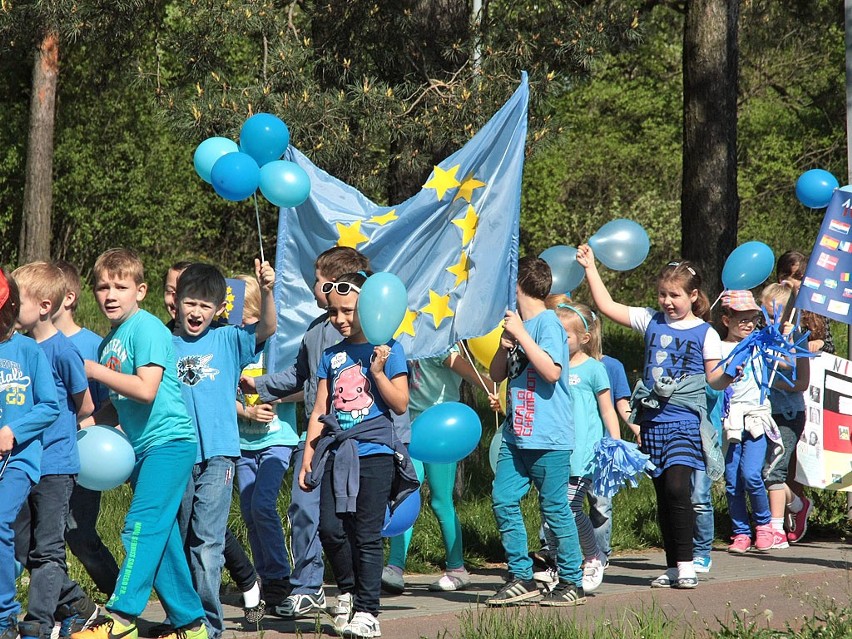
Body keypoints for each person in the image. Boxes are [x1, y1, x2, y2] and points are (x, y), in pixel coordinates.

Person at [577, 248, 733, 589]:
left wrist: (730, 374)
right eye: (662, 294)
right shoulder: (651, 320)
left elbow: (714, 379)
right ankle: (674, 566)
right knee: (663, 493)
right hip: (652, 421)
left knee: (679, 488)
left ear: (693, 295)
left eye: (675, 295)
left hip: (685, 420)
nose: (667, 301)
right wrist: (591, 267)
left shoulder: (705, 332)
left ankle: (688, 562)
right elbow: (607, 307)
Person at [73, 248, 206, 639]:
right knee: (158, 540)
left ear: (141, 290)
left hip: (169, 443)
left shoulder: (146, 328)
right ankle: (192, 625)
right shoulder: (108, 343)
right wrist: (84, 426)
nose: (110, 294)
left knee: (138, 529)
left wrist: (93, 371)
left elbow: (146, 390)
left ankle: (121, 617)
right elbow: (118, 407)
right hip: (141, 449)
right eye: (102, 287)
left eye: (120, 286)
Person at [240, 246, 371, 619]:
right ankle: (308, 585)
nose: (313, 286)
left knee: (346, 519)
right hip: (312, 438)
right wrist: (257, 385)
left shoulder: (361, 330)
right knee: (302, 507)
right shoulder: (315, 330)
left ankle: (357, 588)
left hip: (349, 439)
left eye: (317, 280)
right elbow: (298, 377)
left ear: (334, 285)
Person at [299, 270, 417, 639]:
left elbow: (400, 403)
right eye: (334, 312)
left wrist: (378, 373)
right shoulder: (331, 356)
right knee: (331, 529)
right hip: (336, 453)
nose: (340, 320)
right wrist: (309, 455)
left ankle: (368, 611)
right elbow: (321, 408)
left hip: (377, 452)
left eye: (348, 311)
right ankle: (347, 590)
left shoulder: (390, 350)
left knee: (365, 534)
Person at [171, 261, 276, 639]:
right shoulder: (166, 345)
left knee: (207, 539)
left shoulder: (229, 339)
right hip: (178, 453)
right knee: (182, 536)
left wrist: (267, 291)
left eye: (205, 305)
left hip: (218, 454)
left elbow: (267, 327)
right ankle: (186, 618)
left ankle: (210, 627)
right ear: (177, 303)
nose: (196, 312)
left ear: (217, 309)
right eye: (190, 303)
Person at [486, 256, 584, 608]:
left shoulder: (548, 325)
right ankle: (522, 575)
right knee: (503, 499)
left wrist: (523, 335)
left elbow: (551, 372)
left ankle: (572, 580)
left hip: (548, 438)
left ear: (518, 287)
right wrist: (504, 344)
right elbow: (498, 374)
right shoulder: (519, 327)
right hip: (517, 436)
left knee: (555, 508)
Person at [11, 262, 97, 639]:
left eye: (16, 302)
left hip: (56, 465)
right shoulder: (20, 349)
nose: (8, 309)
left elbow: (86, 405)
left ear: (44, 306)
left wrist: (58, 427)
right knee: (25, 550)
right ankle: (81, 605)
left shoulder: (63, 351)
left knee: (48, 551)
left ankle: (38, 625)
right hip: (21, 463)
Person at [381, 345, 494, 594]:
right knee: (404, 495)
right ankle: (395, 567)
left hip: (441, 430)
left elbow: (463, 368)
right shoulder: (406, 339)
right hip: (410, 426)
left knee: (441, 501)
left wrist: (492, 389)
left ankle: (457, 569)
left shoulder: (441, 344)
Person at [541, 298, 621, 594]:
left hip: (584, 454)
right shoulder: (552, 367)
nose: (560, 340)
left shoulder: (593, 369)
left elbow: (607, 409)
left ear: (584, 338)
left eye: (566, 335)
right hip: (554, 451)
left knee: (570, 507)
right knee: (552, 510)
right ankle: (562, 563)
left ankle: (592, 557)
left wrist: (614, 443)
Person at [232, 274, 299, 620]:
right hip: (242, 444)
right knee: (249, 511)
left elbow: (306, 385)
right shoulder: (229, 342)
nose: (236, 317)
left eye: (242, 309)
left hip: (277, 438)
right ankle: (266, 578)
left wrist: (268, 392)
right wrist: (245, 409)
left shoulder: (278, 343)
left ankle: (278, 581)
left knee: (262, 504)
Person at [52, 260, 120, 598]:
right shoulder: (28, 343)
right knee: (40, 537)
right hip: (42, 456)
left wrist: (85, 424)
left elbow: (114, 404)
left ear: (67, 297)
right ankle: (56, 606)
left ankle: (120, 595)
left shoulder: (96, 346)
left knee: (78, 534)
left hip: (83, 455)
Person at [0, 268, 61, 639]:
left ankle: (5, 613)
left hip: (19, 459)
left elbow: (50, 406)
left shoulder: (28, 351)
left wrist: (13, 430)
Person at [717, 290, 780, 554]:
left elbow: (786, 362)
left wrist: (781, 337)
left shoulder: (760, 345)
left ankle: (764, 527)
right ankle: (741, 532)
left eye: (752, 318)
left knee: (752, 474)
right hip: (730, 420)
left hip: (755, 417)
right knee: (732, 479)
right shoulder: (718, 348)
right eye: (741, 318)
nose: (747, 324)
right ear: (725, 319)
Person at [760, 283, 812, 549]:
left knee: (774, 472)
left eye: (774, 313)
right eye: (765, 312)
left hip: (788, 415)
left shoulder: (799, 339)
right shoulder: (761, 337)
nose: (768, 319)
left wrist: (774, 380)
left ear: (788, 313)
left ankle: (776, 529)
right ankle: (799, 505)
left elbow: (802, 381)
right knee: (762, 472)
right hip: (762, 413)